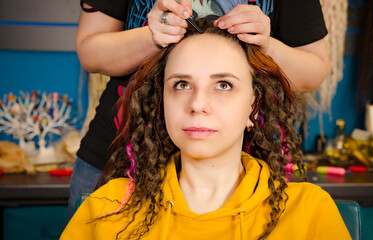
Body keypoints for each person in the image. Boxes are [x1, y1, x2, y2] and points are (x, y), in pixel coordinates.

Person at [61, 19, 349, 240]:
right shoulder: (106, 209)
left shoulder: (310, 212)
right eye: (181, 84)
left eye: (223, 85)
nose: (198, 104)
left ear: (253, 106)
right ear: (162, 103)